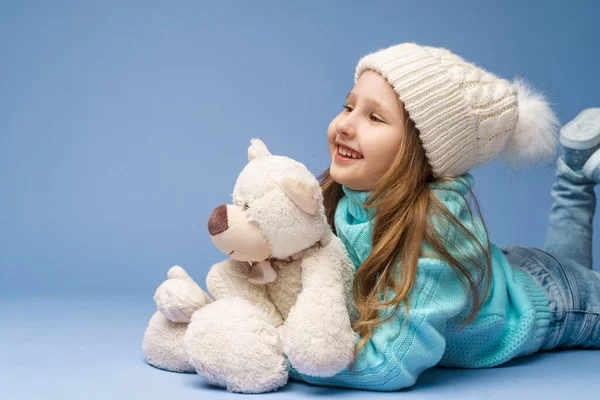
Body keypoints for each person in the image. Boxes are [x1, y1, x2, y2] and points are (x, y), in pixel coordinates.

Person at [287, 42, 600, 391]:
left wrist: (285, 357)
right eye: (348, 106)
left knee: (578, 276)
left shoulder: (436, 229)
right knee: (569, 261)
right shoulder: (341, 199)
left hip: (553, 302)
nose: (345, 124)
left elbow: (390, 366)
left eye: (374, 117)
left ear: (422, 152)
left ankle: (575, 177)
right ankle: (575, 175)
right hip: (505, 271)